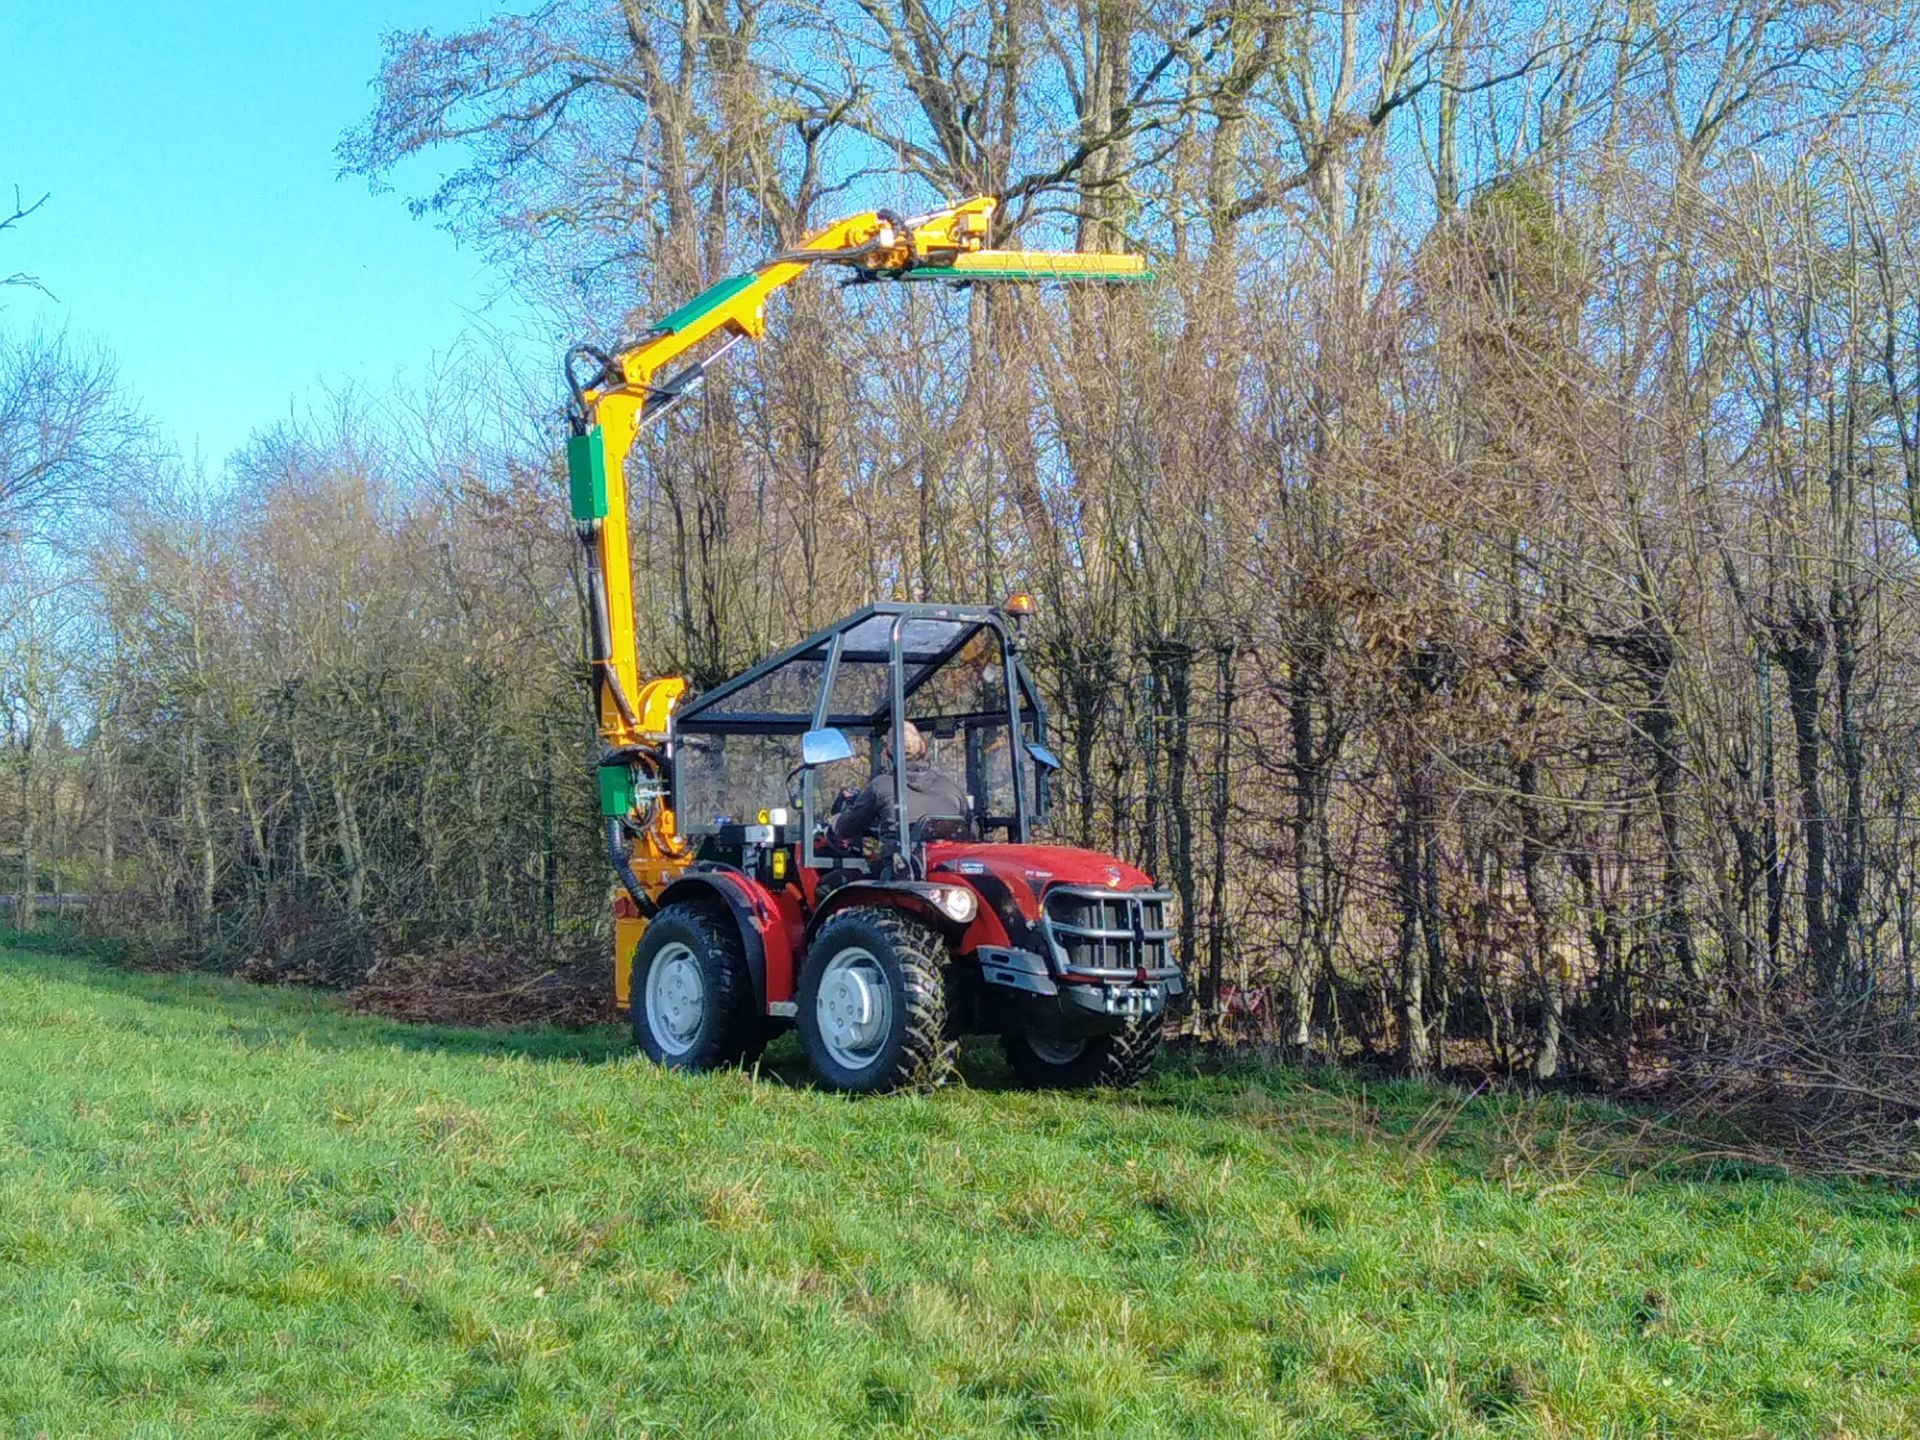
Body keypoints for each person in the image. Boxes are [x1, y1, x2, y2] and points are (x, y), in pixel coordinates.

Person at [832, 720, 971, 844]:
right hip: (942, 865)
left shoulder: (882, 785)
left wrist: (835, 820)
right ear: (923, 749)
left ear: (888, 754)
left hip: (900, 868)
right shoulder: (950, 786)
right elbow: (971, 830)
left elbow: (846, 828)